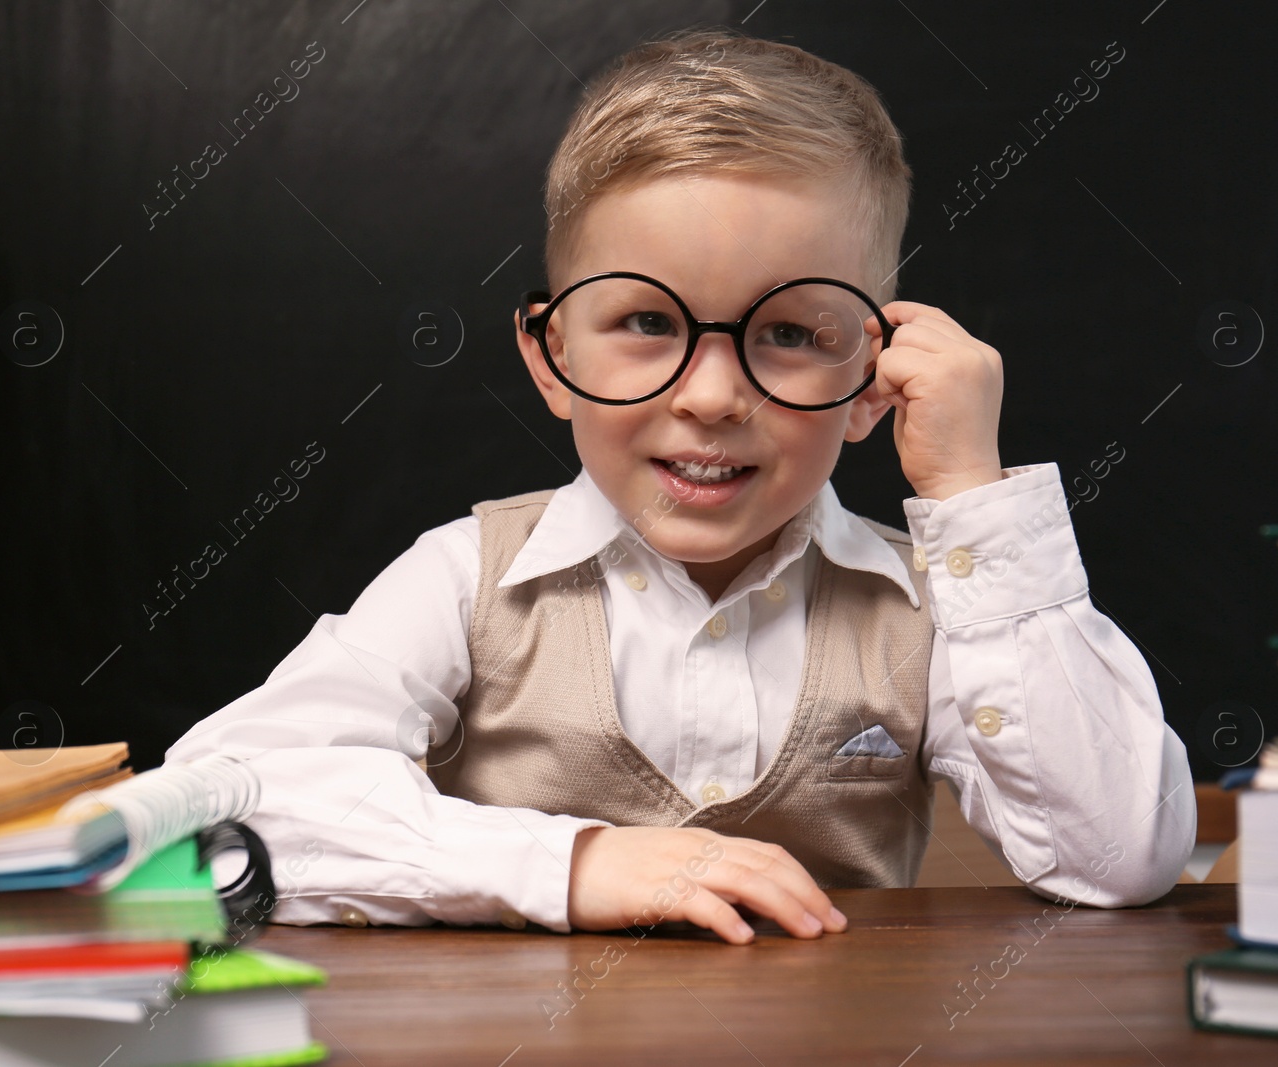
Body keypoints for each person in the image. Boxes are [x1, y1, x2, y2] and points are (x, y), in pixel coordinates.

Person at [166, 26, 1194, 946]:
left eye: (789, 333)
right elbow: (219, 804)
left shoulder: (936, 599)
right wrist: (567, 864)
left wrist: (975, 497)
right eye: (649, 323)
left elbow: (1120, 856)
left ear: (870, 379)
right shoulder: (465, 581)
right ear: (550, 351)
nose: (710, 396)